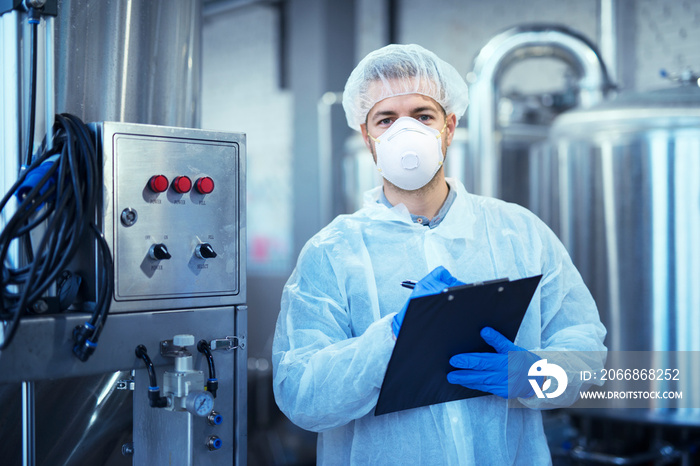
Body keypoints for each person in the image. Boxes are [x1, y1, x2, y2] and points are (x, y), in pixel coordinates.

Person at [272, 43, 606, 465]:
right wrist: (392, 336)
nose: (404, 131)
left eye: (422, 115)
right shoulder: (332, 252)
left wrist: (535, 375)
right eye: (386, 119)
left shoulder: (518, 231)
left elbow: (585, 348)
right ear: (367, 137)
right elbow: (301, 395)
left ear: (448, 127)